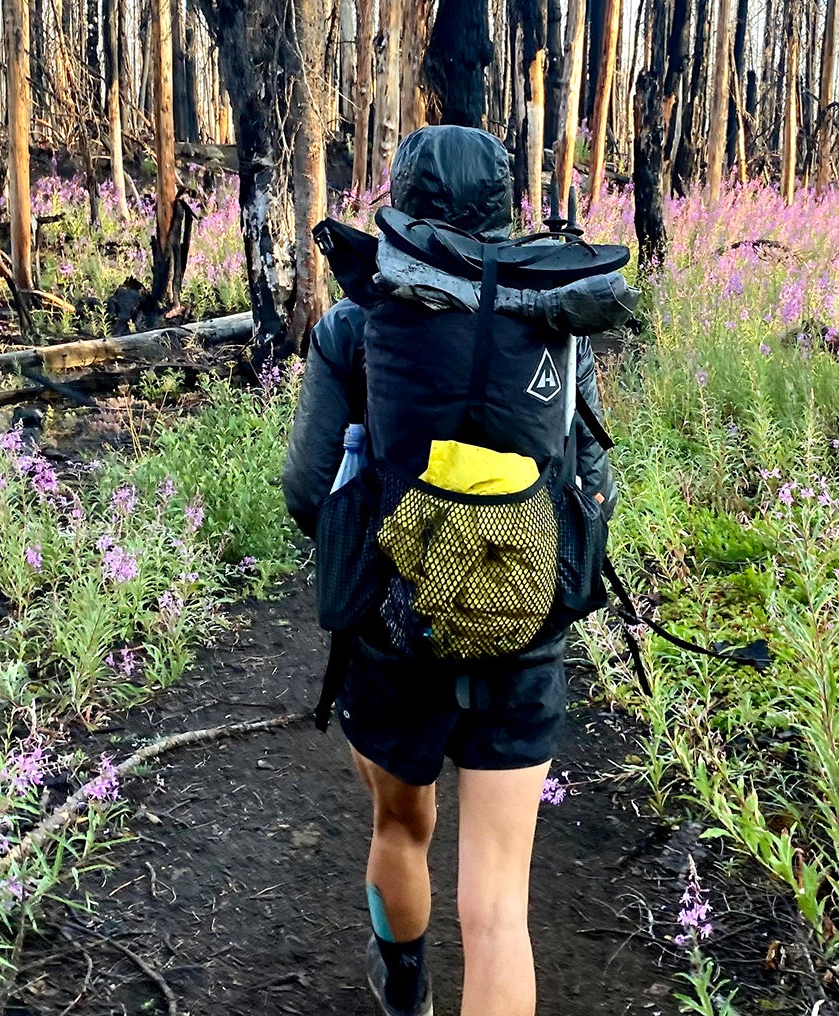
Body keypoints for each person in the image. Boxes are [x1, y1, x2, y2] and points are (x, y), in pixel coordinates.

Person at [282, 125, 613, 1016]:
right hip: (525, 631)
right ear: (504, 211)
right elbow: (588, 475)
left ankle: (402, 989)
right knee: (500, 908)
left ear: (401, 197)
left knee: (401, 825)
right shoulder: (554, 313)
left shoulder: (357, 323)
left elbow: (308, 492)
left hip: (396, 635)